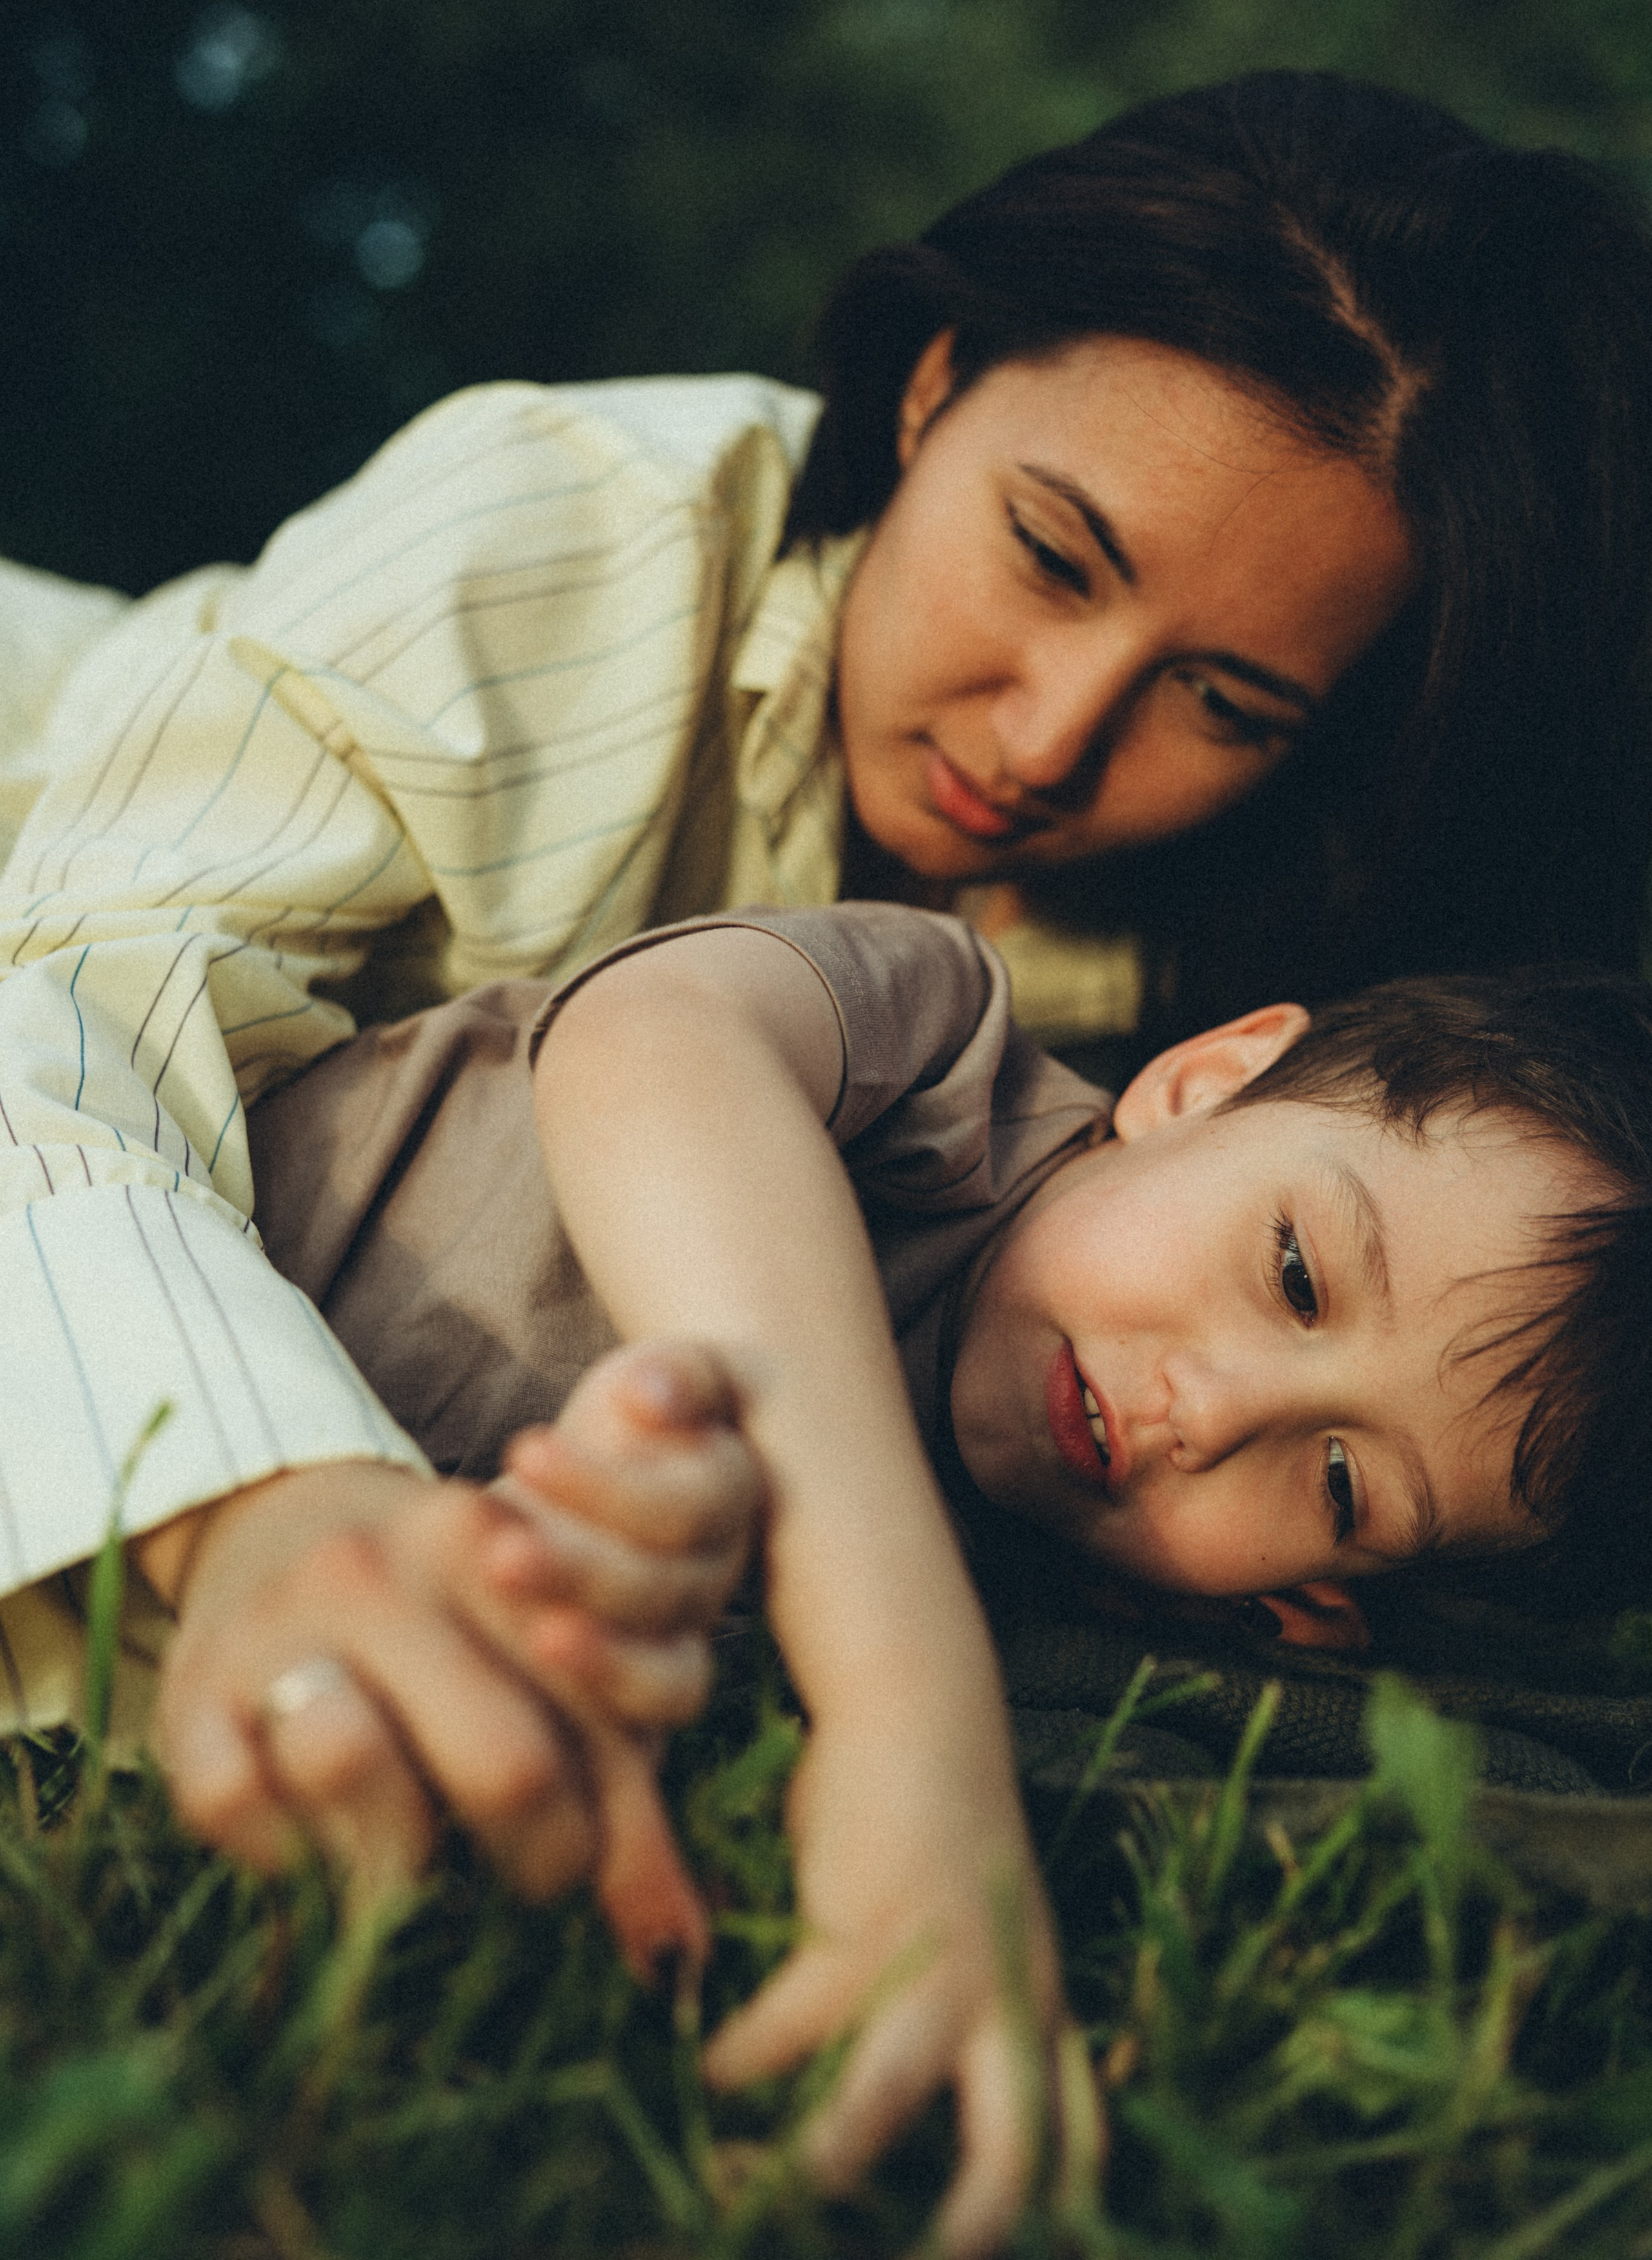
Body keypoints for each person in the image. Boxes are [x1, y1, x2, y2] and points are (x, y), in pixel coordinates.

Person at [145, 902, 1652, 2255]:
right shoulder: (940, 1051)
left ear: (1308, 1605)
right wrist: (905, 1713)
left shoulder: (1053, 1582)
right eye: (1296, 1275)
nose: (1212, 1408)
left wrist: (608, 1568)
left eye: (1333, 1484)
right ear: (1205, 1086)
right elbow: (649, 1049)